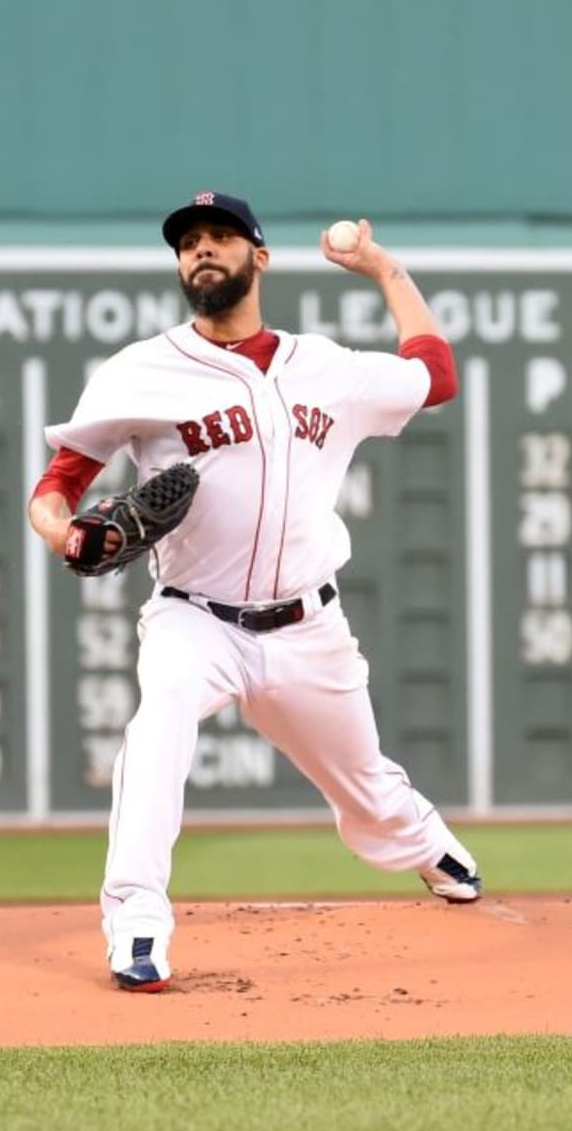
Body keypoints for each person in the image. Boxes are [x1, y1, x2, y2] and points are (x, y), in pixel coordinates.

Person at [28, 191, 481, 993]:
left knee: (369, 789)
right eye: (188, 242)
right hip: (194, 623)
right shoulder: (141, 370)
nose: (202, 250)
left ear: (258, 258)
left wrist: (383, 267)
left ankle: (423, 844)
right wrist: (66, 534)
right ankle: (136, 921)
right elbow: (55, 488)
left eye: (221, 238)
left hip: (308, 627)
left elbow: (435, 375)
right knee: (157, 726)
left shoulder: (327, 369)